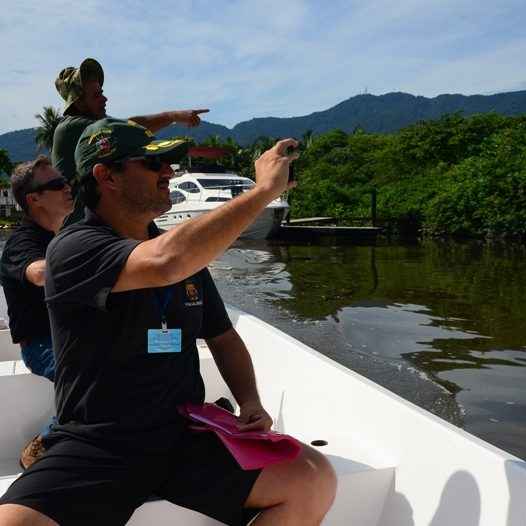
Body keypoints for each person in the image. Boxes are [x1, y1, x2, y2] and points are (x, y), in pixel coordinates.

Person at [0, 118, 337, 526]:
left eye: (170, 164)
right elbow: (164, 262)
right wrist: (262, 191)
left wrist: (249, 399)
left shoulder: (185, 256)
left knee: (313, 478)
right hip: (99, 441)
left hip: (183, 433)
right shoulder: (73, 249)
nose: (169, 173)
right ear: (106, 176)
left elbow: (224, 336)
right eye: (152, 164)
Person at [52, 57, 209, 224]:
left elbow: (127, 129)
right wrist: (173, 116)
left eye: (102, 92)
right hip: (83, 230)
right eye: (96, 95)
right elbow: (126, 130)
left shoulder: (90, 126)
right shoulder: (70, 128)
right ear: (79, 103)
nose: (105, 99)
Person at [0, 156, 74, 469]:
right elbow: (40, 274)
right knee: (95, 376)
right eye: (57, 185)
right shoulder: (22, 241)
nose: (67, 187)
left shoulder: (65, 236)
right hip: (42, 345)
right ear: (34, 199)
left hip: (74, 335)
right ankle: (46, 443)